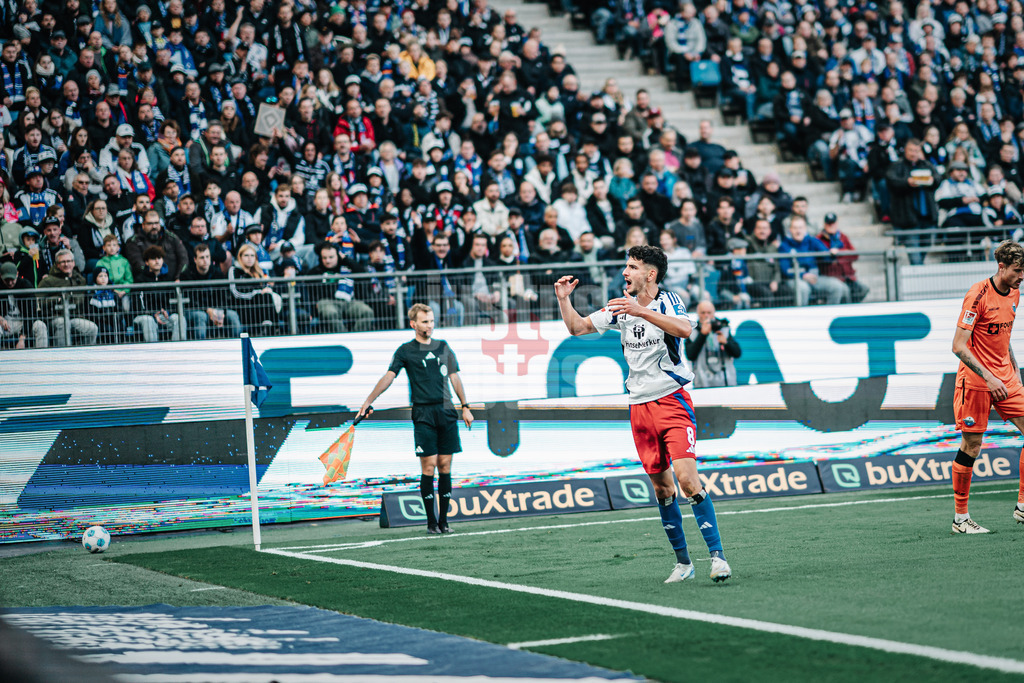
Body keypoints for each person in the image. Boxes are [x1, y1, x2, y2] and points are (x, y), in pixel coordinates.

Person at [553, 246, 731, 584]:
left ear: (650, 274)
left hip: (673, 402)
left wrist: (640, 310)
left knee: (688, 480)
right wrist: (564, 300)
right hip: (639, 408)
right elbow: (577, 328)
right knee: (663, 490)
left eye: (632, 267)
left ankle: (718, 557)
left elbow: (684, 329)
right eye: (626, 266)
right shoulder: (620, 307)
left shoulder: (667, 301)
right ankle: (683, 564)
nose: (625, 272)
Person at [357, 304, 474, 534]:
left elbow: (455, 377)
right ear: (413, 324)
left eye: (431, 321)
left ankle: (444, 522)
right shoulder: (405, 350)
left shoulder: (443, 347)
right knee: (429, 467)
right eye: (424, 322)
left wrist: (465, 406)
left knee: (445, 465)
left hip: (447, 411)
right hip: (422, 414)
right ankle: (431, 522)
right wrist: (368, 400)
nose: (429, 325)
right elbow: (389, 376)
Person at [950, 240, 1024, 534]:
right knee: (972, 446)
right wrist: (989, 378)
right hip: (976, 381)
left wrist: (1014, 367)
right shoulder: (977, 294)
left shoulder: (1016, 292)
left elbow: (1003, 335)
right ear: (1001, 266)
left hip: (1006, 378)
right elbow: (958, 346)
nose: (1022, 277)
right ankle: (960, 519)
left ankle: (1022, 507)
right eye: (1018, 271)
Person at [685, 300, 742, 388]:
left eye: (709, 312)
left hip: (726, 382)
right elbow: (690, 355)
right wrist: (702, 334)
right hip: (703, 383)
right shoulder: (692, 331)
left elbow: (737, 353)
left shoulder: (723, 328)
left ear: (714, 313)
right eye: (703, 313)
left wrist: (726, 343)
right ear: (698, 313)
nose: (706, 315)